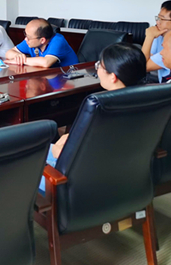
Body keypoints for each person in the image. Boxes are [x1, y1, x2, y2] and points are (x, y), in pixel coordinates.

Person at [40, 42, 147, 192]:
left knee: (21, 164)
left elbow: (64, 154)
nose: (97, 70)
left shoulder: (100, 107)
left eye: (100, 66)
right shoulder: (150, 101)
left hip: (79, 183)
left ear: (113, 77)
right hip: (128, 177)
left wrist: (60, 148)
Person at [5, 18, 78, 67]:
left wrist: (22, 60)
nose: (25, 39)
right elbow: (9, 53)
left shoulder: (58, 40)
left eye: (29, 37)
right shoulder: (31, 41)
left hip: (70, 79)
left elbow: (46, 62)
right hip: (48, 76)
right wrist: (18, 56)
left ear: (42, 40)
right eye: (26, 35)